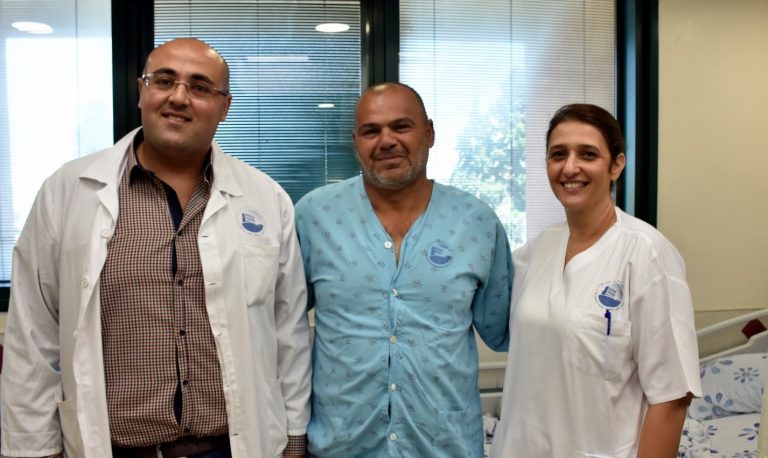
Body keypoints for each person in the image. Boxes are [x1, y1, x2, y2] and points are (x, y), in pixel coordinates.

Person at [0, 38, 311, 458]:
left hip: (232, 446)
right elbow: (33, 335)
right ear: (141, 91)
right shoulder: (67, 192)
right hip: (113, 448)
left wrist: (293, 439)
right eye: (164, 81)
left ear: (225, 107)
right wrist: (32, 449)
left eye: (199, 87)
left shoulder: (267, 199)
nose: (178, 97)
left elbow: (288, 333)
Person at [294, 82, 513, 457]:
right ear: (355, 142)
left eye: (401, 126)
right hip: (341, 446)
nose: (386, 141)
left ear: (429, 133)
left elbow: (510, 330)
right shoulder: (314, 217)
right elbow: (281, 330)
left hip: (445, 447)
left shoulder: (476, 222)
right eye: (371, 131)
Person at [490, 104, 702, 457]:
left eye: (588, 154)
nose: (570, 167)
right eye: (558, 154)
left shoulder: (646, 254)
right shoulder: (533, 253)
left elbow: (671, 398)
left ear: (616, 165)